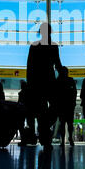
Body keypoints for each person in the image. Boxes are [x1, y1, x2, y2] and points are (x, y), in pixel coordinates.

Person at [26, 23, 63, 152]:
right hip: (49, 81)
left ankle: (43, 134)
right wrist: (62, 75)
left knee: (42, 111)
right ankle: (45, 136)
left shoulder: (35, 46)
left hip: (38, 82)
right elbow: (57, 63)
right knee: (53, 108)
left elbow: (29, 66)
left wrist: (29, 82)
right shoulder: (53, 46)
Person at [55, 66, 77, 146]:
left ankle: (63, 140)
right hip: (69, 105)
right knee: (69, 123)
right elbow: (74, 92)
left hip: (61, 105)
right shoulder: (70, 80)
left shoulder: (58, 80)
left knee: (62, 123)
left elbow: (56, 94)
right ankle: (70, 138)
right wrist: (73, 102)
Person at [18, 80, 37, 146]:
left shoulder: (21, 93)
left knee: (21, 125)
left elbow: (19, 103)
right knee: (32, 125)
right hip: (30, 111)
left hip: (23, 111)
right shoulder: (30, 93)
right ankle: (33, 140)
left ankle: (23, 140)